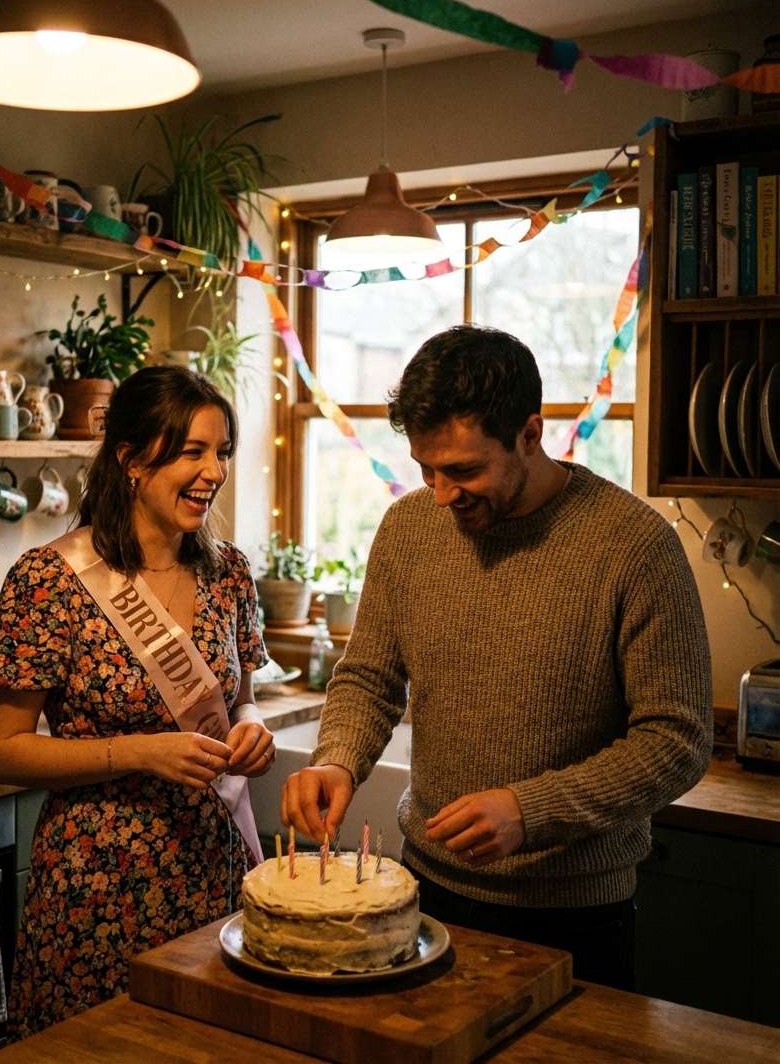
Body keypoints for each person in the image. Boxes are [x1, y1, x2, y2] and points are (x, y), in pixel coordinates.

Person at [282, 324, 711, 989]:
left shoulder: (634, 547)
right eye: (426, 469)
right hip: (425, 890)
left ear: (530, 435)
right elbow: (368, 678)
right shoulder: (409, 529)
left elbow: (677, 740)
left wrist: (534, 809)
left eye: (463, 469)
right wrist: (337, 757)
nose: (442, 492)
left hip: (575, 911)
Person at [0, 365, 275, 1039]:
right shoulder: (50, 580)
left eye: (221, 451)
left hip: (212, 872)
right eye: (192, 451)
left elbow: (243, 699)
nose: (214, 471)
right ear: (132, 459)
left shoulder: (227, 572)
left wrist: (251, 728)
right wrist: (138, 753)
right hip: (99, 887)